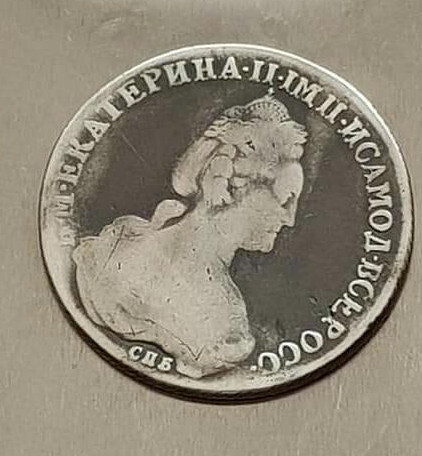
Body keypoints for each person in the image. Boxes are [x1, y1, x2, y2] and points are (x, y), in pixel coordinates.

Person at [73, 93, 307, 380]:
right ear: (234, 189)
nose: (290, 219)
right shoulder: (220, 324)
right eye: (285, 199)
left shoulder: (118, 248)